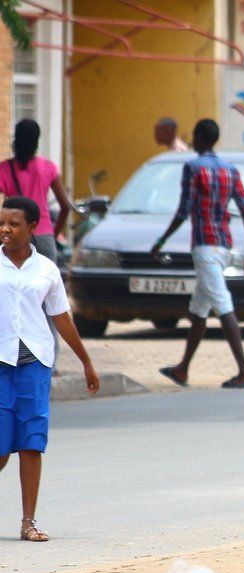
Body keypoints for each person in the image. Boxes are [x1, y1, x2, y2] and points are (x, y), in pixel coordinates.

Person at [1, 196, 99, 542]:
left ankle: (28, 522)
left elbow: (61, 317)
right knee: (0, 448)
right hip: (0, 364)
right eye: (2, 222)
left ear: (32, 227)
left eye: (14, 224)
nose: (5, 229)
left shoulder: (46, 269)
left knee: (30, 443)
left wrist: (86, 361)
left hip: (34, 364)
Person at [152, 119, 244, 389]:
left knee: (223, 306)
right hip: (223, 246)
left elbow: (183, 209)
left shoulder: (193, 167)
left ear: (199, 137)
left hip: (204, 247)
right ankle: (183, 369)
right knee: (199, 309)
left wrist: (161, 241)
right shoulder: (230, 170)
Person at [0, 119, 74, 367]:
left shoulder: (4, 169)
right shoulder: (47, 167)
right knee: (49, 303)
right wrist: (53, 231)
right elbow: (65, 206)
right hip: (43, 237)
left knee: (14, 298)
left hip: (13, 240)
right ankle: (49, 361)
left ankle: (13, 354)